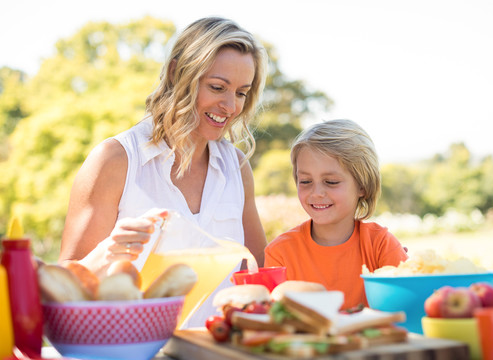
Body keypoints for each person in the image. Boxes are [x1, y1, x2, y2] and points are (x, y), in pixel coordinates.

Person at [59, 17, 268, 326]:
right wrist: (108, 251)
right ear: (176, 73)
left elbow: (259, 274)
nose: (230, 106)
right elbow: (62, 287)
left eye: (241, 93)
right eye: (217, 87)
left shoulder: (237, 169)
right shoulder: (116, 160)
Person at [264, 119, 408, 309]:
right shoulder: (279, 253)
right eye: (305, 181)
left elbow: (405, 306)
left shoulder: (381, 245)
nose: (316, 193)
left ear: (362, 186)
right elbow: (269, 318)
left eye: (331, 182)